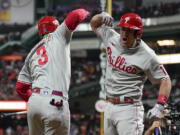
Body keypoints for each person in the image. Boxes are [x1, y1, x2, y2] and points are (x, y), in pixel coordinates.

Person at [90, 12, 172, 135]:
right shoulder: (111, 37)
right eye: (123, 29)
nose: (124, 33)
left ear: (137, 33)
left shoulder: (147, 55)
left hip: (128, 109)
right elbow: (94, 24)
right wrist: (101, 16)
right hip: (108, 104)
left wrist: (160, 104)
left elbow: (165, 79)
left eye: (129, 30)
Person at [16, 9, 89, 135]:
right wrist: (88, 12)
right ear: (56, 26)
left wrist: (38, 101)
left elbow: (21, 88)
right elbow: (76, 14)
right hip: (55, 101)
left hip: (34, 103)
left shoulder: (32, 53)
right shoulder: (58, 36)